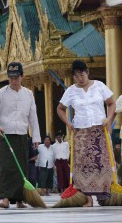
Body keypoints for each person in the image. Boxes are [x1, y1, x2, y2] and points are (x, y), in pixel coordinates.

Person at [57, 59, 116, 206]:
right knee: (83, 166)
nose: (79, 78)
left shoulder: (99, 86)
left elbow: (111, 103)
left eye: (81, 74)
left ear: (87, 72)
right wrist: (68, 123)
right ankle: (87, 198)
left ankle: (104, 197)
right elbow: (60, 108)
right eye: (76, 76)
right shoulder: (70, 91)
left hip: (99, 129)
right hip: (81, 131)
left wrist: (108, 119)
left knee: (102, 164)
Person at [0, 62, 41, 209]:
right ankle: (5, 198)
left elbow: (33, 117)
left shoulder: (28, 94)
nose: (13, 80)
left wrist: (36, 137)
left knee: (22, 167)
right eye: (11, 77)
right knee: (7, 166)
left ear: (22, 76)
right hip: (6, 135)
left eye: (16, 77)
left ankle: (19, 199)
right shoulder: (1, 93)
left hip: (23, 135)